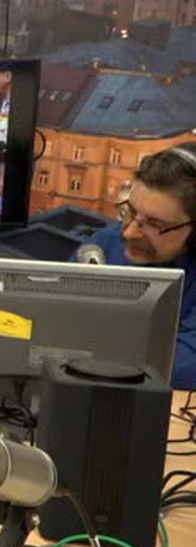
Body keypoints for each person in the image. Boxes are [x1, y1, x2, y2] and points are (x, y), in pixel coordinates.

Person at [83, 142, 196, 389]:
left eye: (154, 224)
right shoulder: (101, 247)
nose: (129, 233)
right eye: (131, 212)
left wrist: (92, 351)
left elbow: (186, 366)